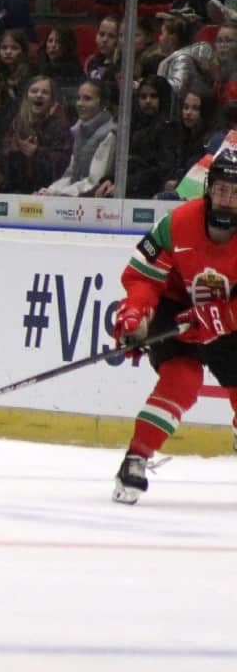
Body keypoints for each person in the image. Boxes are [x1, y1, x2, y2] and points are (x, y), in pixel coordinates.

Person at [109, 148, 237, 502]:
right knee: (182, 379)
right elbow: (143, 278)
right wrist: (135, 315)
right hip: (177, 306)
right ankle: (136, 458)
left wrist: (221, 317)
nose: (227, 198)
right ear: (209, 189)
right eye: (222, 189)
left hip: (229, 316)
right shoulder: (177, 223)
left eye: (236, 191)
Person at [38, 78, 117, 196]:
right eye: (78, 98)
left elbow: (94, 181)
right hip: (74, 197)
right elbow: (71, 174)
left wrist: (59, 193)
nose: (80, 103)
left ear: (104, 104)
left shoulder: (109, 133)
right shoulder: (78, 130)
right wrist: (50, 191)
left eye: (87, 99)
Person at [0, 75, 72, 193]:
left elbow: (64, 164)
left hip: (48, 191)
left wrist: (36, 153)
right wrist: (13, 152)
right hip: (17, 191)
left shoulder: (60, 125)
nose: (39, 95)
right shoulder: (17, 123)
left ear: (52, 99)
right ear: (27, 96)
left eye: (45, 92)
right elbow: (2, 162)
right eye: (34, 91)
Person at [105, 75, 180, 199]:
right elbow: (125, 162)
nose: (148, 101)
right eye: (143, 96)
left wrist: (124, 185)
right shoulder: (133, 124)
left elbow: (161, 170)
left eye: (153, 96)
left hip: (149, 192)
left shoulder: (169, 128)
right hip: (127, 185)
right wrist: (109, 179)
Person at [85, 15, 123, 87]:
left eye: (111, 36)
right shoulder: (93, 61)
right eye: (101, 34)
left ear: (120, 39)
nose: (104, 40)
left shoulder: (126, 63)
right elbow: (96, 82)